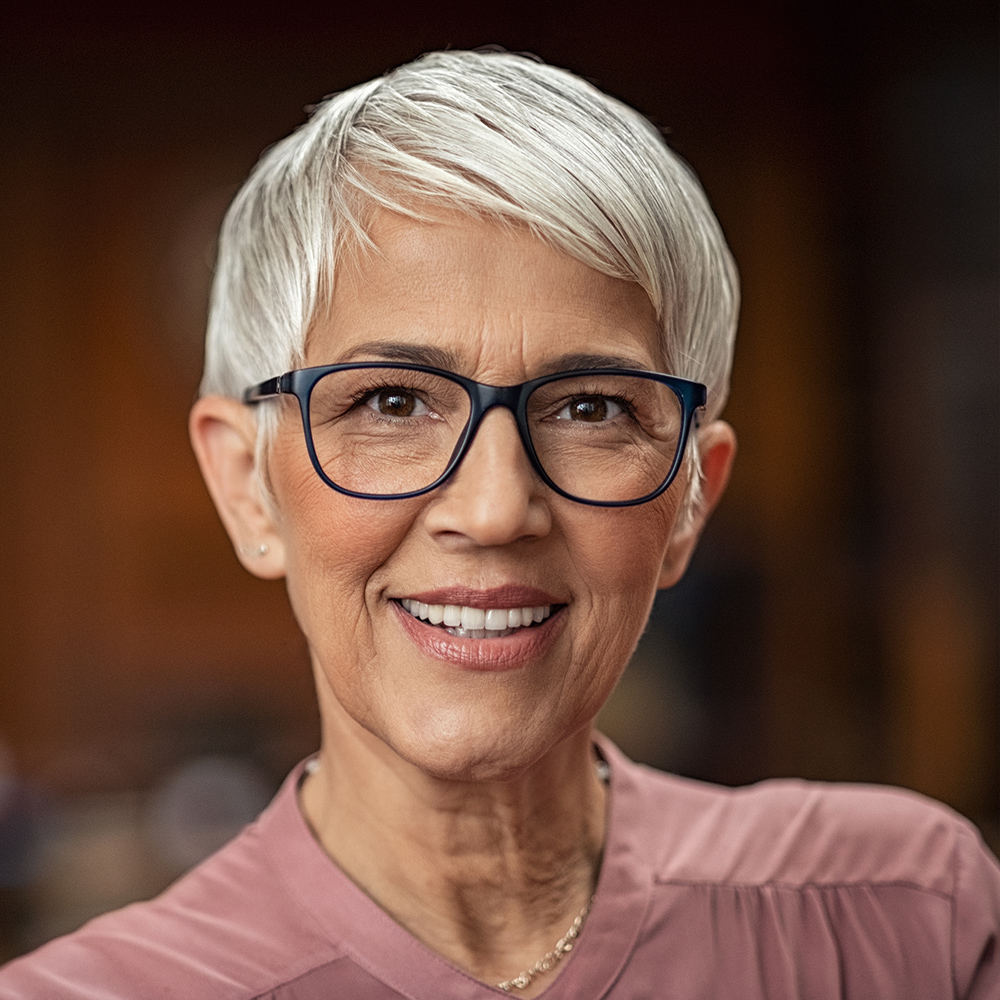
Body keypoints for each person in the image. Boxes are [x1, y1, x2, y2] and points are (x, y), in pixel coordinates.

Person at [1, 48, 997, 999]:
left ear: (692, 495)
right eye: (391, 402)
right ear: (244, 486)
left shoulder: (905, 919)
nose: (492, 510)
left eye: (592, 407)